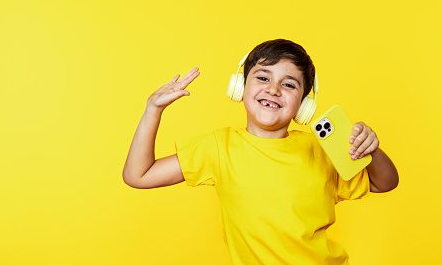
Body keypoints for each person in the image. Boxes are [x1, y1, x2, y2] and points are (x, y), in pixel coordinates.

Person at [122, 39, 399, 264]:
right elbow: (139, 175)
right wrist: (153, 110)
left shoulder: (320, 148)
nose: (273, 89)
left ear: (304, 104)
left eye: (289, 84)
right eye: (263, 77)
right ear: (240, 87)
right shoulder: (218, 147)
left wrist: (372, 150)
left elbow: (384, 182)